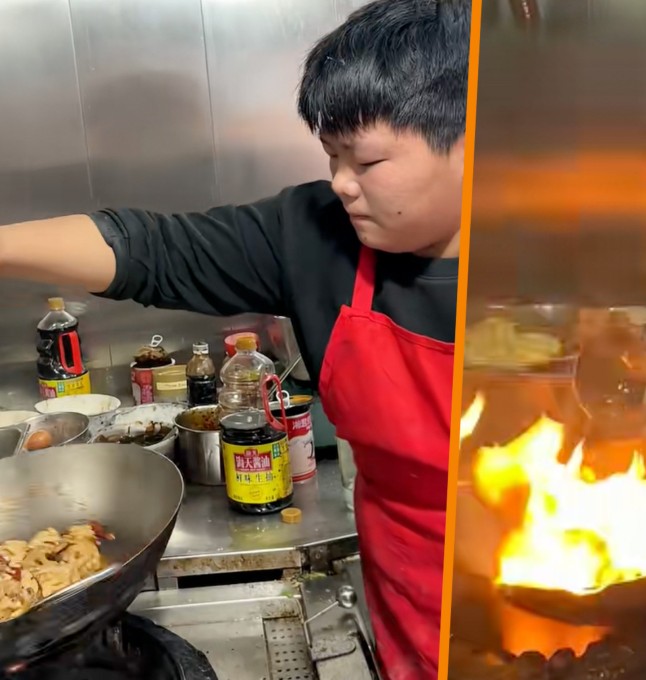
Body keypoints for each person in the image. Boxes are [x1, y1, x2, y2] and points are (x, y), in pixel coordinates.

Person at [0, 1, 469, 678]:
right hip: (413, 601)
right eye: (331, 156)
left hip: (583, 581)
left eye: (365, 160)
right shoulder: (316, 234)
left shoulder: (579, 250)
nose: (341, 184)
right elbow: (149, 249)